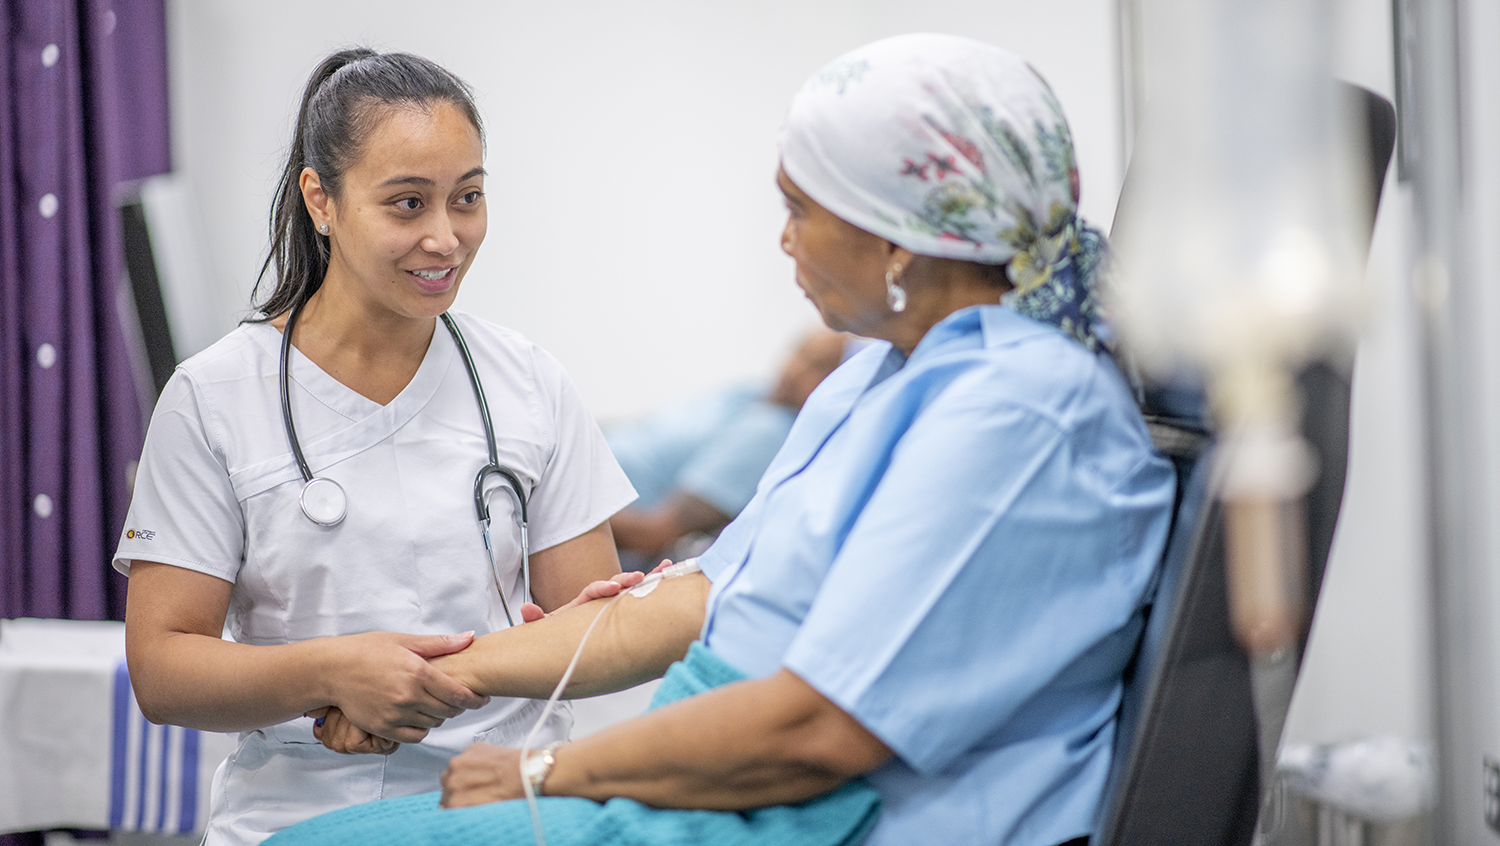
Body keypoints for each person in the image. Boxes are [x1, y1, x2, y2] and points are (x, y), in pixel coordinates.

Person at [273, 33, 1176, 846]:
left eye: (801, 208)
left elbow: (816, 730)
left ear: (898, 239)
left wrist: (549, 770)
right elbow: (694, 601)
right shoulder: (885, 372)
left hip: (832, 811)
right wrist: (423, 680)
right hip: (724, 773)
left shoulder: (1016, 415)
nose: (785, 240)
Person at [114, 49, 636, 844]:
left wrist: (629, 615)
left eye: (468, 198)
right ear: (320, 199)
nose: (446, 238)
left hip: (500, 809)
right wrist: (331, 674)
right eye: (407, 204)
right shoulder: (212, 398)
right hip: (299, 813)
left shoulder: (526, 381)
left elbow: (594, 634)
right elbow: (162, 668)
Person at [606, 329, 847, 566]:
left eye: (819, 367)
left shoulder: (768, 435)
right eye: (800, 353)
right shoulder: (748, 392)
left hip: (598, 514)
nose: (797, 370)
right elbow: (645, 430)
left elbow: (652, 535)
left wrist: (577, 506)